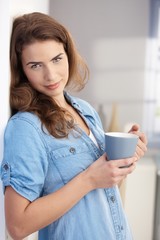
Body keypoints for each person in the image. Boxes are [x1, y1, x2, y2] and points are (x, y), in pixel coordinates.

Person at [0, 12, 147, 240]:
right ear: (22, 70)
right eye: (36, 65)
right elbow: (17, 226)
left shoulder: (85, 110)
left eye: (57, 59)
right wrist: (89, 179)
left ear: (68, 53)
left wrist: (122, 160)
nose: (51, 75)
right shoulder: (25, 128)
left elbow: (102, 192)